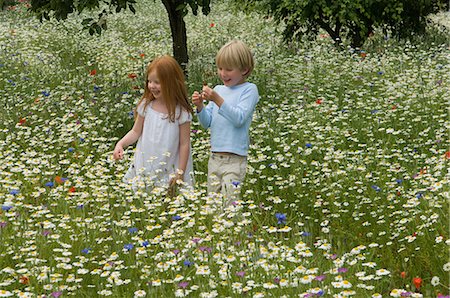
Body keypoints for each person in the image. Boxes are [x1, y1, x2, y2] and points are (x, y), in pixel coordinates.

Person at [192, 40, 259, 201]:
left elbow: (239, 119)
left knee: (229, 204)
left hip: (235, 159)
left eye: (229, 69)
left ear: (244, 69)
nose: (223, 73)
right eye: (220, 68)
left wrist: (217, 100)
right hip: (215, 158)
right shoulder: (218, 90)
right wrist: (200, 106)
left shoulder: (249, 90)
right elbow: (207, 122)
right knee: (213, 205)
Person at [113, 55, 194, 190]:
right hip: (145, 163)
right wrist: (120, 144)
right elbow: (135, 131)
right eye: (149, 81)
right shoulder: (146, 106)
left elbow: (185, 143)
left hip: (169, 166)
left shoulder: (181, 113)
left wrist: (180, 172)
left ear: (172, 83)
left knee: (170, 201)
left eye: (157, 82)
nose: (152, 86)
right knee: (144, 197)